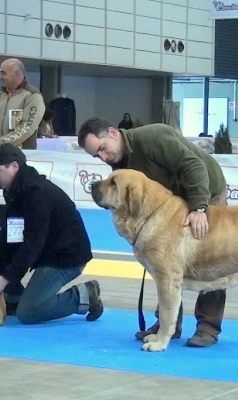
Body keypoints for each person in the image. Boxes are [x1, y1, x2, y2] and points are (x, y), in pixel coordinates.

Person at [77, 117, 228, 348]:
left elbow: (194, 167)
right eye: (97, 156)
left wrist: (199, 208)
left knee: (210, 257)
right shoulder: (119, 162)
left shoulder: (155, 137)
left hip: (204, 189)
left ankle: (208, 326)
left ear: (112, 133)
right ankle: (169, 324)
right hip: (173, 200)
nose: (103, 158)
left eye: (102, 149)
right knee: (162, 261)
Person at [0, 143, 103, 323]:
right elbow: (11, 235)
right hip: (45, 247)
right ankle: (13, 298)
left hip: (65, 257)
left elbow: (33, 243)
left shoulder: (36, 193)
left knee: (29, 312)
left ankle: (84, 294)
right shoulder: (13, 189)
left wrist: (4, 279)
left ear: (14, 166)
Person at [0, 58, 45, 227]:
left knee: (21, 207)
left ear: (16, 74)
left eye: (3, 73)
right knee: (1, 207)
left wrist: (3, 144)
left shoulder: (33, 96)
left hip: (22, 161)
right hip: (1, 162)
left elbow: (28, 126)